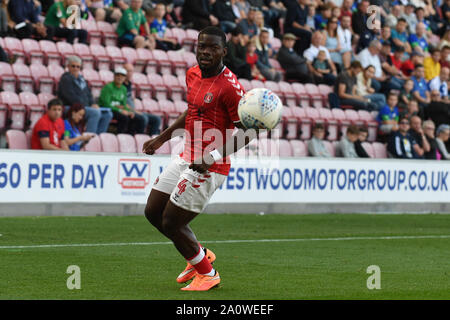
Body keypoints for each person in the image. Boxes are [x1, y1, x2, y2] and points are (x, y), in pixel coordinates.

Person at [142, 26, 257, 291]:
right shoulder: (192, 74)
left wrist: (212, 155)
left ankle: (208, 273)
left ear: (224, 52)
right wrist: (163, 138)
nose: (205, 51)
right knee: (152, 211)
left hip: (210, 164)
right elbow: (193, 110)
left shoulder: (230, 88)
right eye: (201, 46)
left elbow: (249, 131)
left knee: (172, 222)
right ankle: (198, 256)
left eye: (213, 47)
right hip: (187, 155)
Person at [57, 56, 113, 134]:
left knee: (107, 114)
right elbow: (71, 97)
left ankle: (98, 138)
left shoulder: (82, 79)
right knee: (95, 113)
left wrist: (93, 104)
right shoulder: (65, 79)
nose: (75, 68)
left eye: (78, 67)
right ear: (68, 67)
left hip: (84, 107)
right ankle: (88, 139)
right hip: (70, 107)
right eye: (73, 66)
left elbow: (89, 94)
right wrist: (87, 106)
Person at [99, 67, 144, 134]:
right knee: (124, 118)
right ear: (114, 76)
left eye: (122, 76)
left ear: (125, 78)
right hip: (109, 109)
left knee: (137, 118)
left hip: (118, 110)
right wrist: (120, 110)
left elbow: (124, 104)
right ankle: (120, 136)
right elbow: (106, 104)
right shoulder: (108, 87)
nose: (120, 78)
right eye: (118, 75)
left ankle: (131, 137)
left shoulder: (123, 89)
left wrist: (129, 111)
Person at [123, 63, 161, 135]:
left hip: (134, 110)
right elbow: (121, 103)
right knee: (143, 118)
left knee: (157, 119)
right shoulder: (120, 85)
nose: (130, 73)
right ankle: (140, 138)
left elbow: (130, 98)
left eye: (131, 71)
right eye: (128, 71)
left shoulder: (129, 84)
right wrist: (133, 111)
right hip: (127, 111)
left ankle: (152, 141)